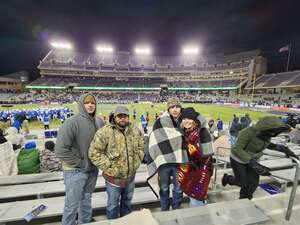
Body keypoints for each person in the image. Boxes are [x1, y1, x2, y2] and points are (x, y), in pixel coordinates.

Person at [222, 116, 298, 200]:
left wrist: (282, 148)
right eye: (272, 132)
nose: (273, 134)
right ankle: (227, 178)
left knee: (253, 184)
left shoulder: (267, 135)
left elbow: (265, 143)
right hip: (238, 159)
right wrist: (253, 163)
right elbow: (237, 149)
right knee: (241, 182)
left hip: (253, 160)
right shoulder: (246, 132)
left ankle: (245, 199)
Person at [55, 94, 104, 225]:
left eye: (92, 102)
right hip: (75, 170)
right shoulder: (71, 122)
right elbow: (60, 150)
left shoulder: (99, 122)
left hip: (92, 170)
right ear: (81, 104)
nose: (90, 105)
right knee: (71, 206)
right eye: (87, 102)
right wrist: (81, 163)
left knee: (86, 202)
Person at [89, 106, 144, 219]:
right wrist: (109, 166)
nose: (122, 119)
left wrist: (136, 162)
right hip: (113, 179)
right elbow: (94, 153)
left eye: (125, 116)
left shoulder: (135, 130)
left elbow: (141, 147)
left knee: (127, 204)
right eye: (119, 116)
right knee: (113, 206)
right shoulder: (104, 132)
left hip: (130, 178)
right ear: (114, 117)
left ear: (128, 117)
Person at [147, 97, 189, 211]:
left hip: (180, 161)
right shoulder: (160, 122)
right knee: (164, 188)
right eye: (172, 107)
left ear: (181, 108)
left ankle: (176, 209)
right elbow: (154, 140)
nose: (175, 109)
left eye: (177, 107)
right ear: (168, 109)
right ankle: (164, 209)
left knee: (179, 188)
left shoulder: (186, 121)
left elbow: (189, 139)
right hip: (164, 162)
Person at [178, 107, 214, 207]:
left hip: (201, 172)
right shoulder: (185, 133)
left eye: (189, 118)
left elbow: (207, 156)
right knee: (192, 197)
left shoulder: (202, 132)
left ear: (194, 120)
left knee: (196, 199)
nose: (186, 121)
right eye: (184, 119)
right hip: (191, 171)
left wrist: (189, 148)